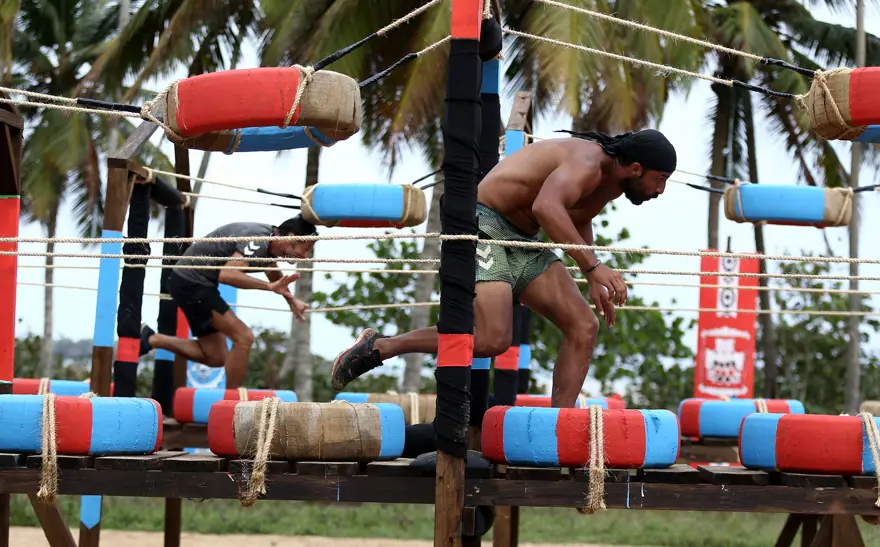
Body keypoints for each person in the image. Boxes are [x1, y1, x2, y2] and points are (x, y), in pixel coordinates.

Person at [330, 129, 677, 407]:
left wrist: (591, 277)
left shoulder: (611, 185)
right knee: (493, 339)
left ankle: (560, 426)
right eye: (660, 179)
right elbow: (547, 207)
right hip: (483, 224)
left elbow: (579, 217)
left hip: (524, 240)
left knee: (584, 325)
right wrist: (595, 265)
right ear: (636, 168)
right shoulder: (586, 161)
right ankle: (382, 347)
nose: (661, 191)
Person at [140, 216, 317, 389]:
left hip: (195, 283)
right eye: (306, 248)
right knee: (244, 337)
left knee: (216, 356)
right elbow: (228, 274)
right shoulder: (259, 241)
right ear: (292, 237)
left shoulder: (270, 245)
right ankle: (231, 402)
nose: (305, 256)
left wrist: (291, 300)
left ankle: (151, 338)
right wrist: (269, 287)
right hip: (191, 282)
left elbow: (272, 271)